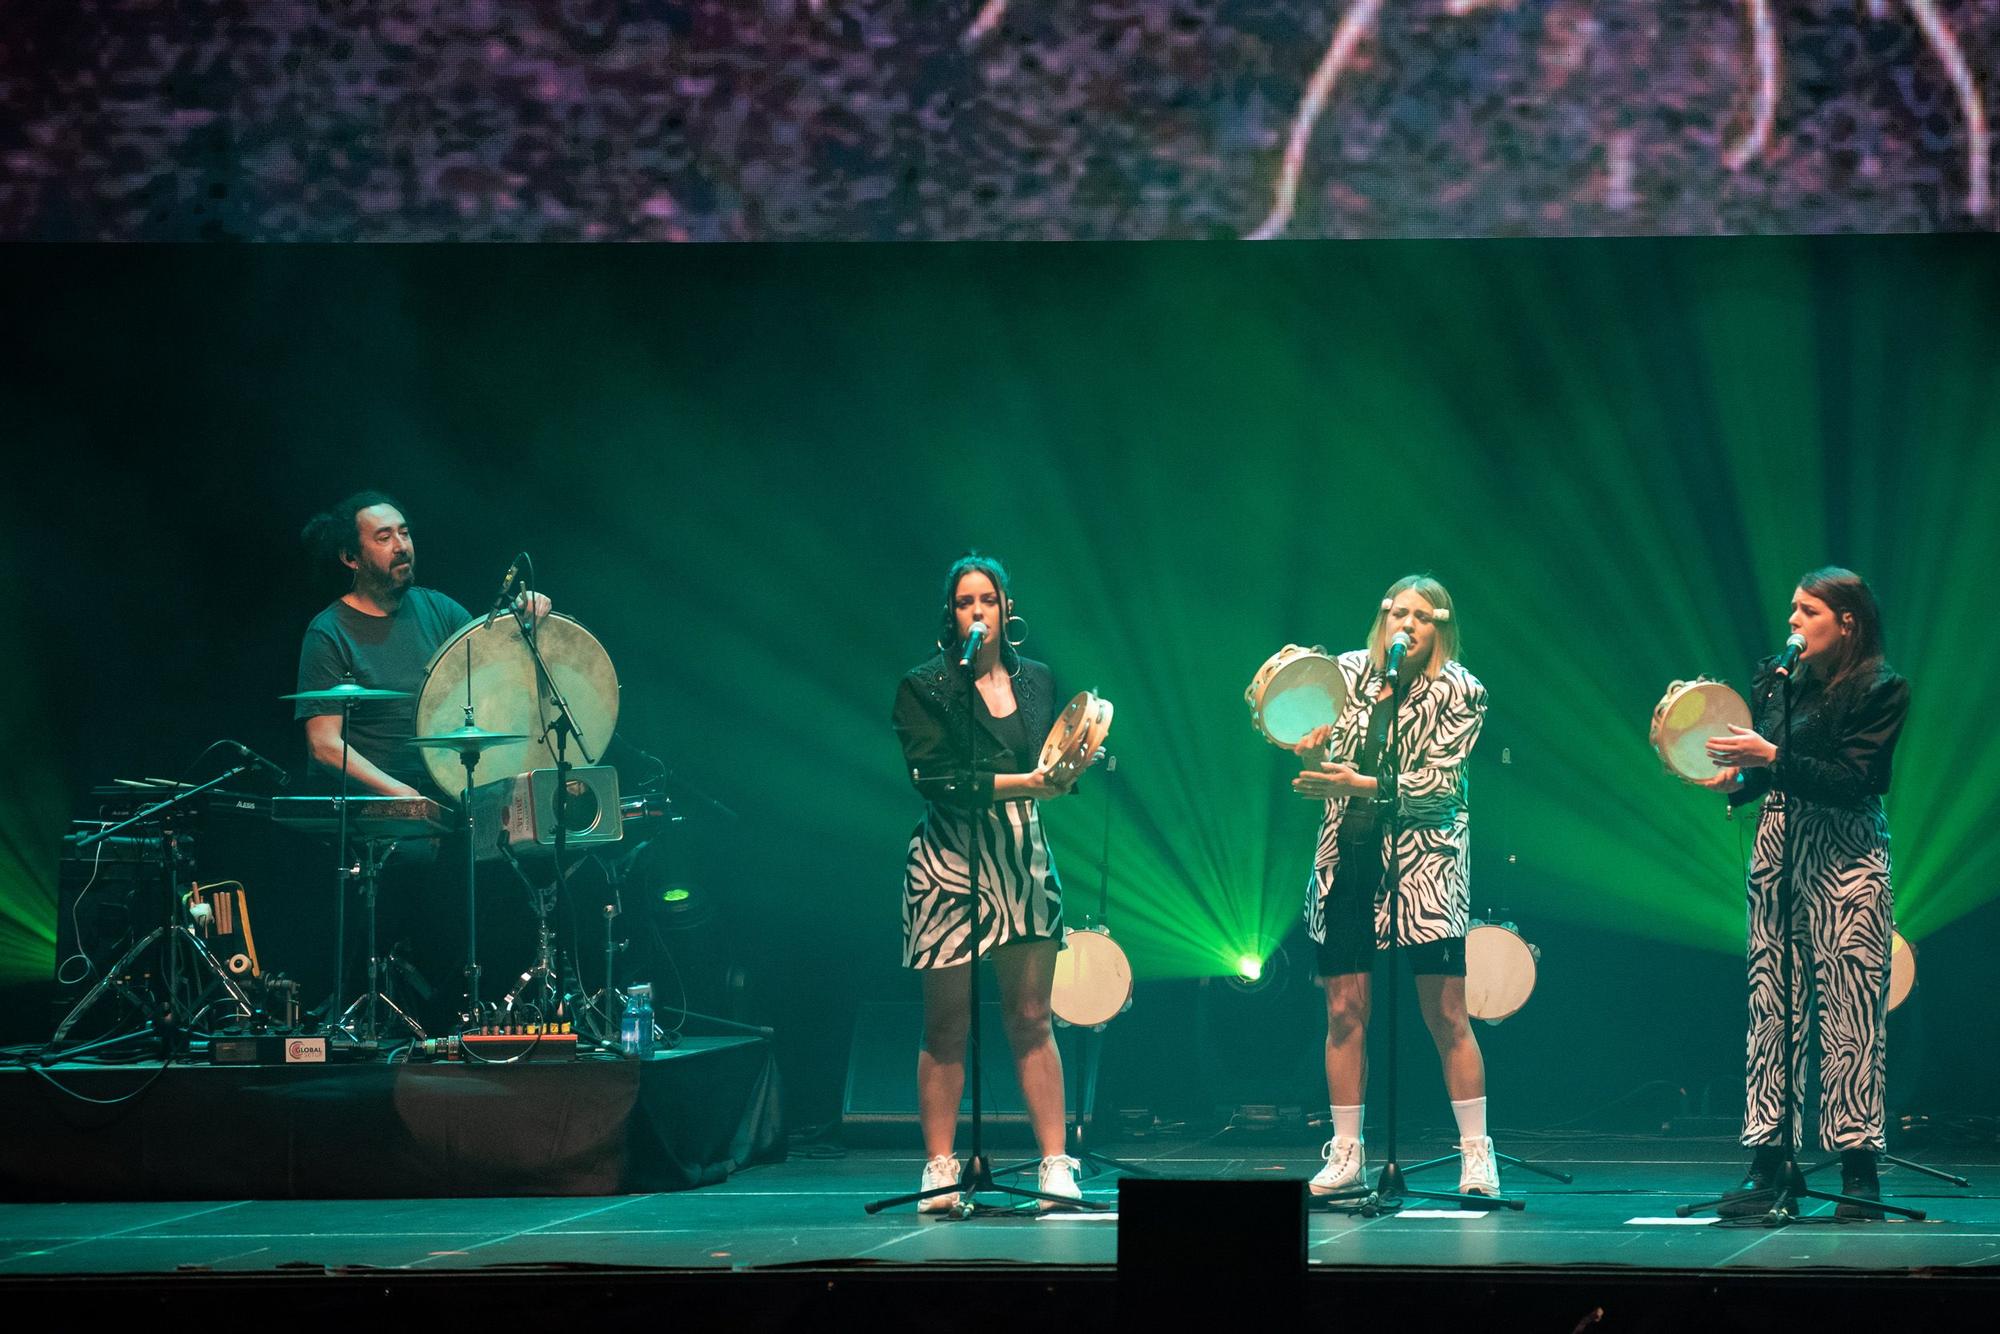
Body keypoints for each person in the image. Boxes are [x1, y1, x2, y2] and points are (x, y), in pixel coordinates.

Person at [292, 490, 549, 1028]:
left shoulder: (438, 609)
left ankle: (487, 1009)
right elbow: (323, 743)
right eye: (383, 538)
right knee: (440, 874)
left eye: (404, 532)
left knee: (528, 851)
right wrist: (401, 794)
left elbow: (496, 663)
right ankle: (424, 1008)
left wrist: (525, 617)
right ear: (351, 558)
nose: (400, 545)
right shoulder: (329, 632)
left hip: (448, 793)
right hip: (379, 805)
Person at [1700, 567, 1908, 1218]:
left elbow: (1859, 779)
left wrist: (1770, 759)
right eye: (1792, 608)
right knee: (1771, 1008)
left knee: (1850, 1015)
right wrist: (1736, 780)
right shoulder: (1779, 680)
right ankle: (1768, 1162)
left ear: (1847, 621)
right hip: (1780, 851)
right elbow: (1766, 770)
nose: (1792, 620)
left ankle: (1857, 1173)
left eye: (1808, 610)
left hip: (1847, 854)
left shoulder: (1881, 688)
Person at [891, 553, 1094, 1212]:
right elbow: (936, 778)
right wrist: (1030, 784)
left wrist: (1061, 776)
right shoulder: (927, 687)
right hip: (949, 865)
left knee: (1032, 1018)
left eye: (986, 600)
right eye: (963, 602)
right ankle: (939, 1169)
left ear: (1007, 607)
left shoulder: (1035, 679)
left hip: (1021, 859)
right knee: (946, 1025)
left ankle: (1056, 1165)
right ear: (950, 616)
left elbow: (1048, 763)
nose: (976, 611)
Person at [1290, 575, 1497, 1199]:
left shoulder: (1462, 692)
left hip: (1425, 867)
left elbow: (1438, 788)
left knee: (1445, 1014)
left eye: (1420, 617)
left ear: (1441, 626)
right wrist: (1308, 752)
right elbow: (1319, 759)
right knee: (1343, 1011)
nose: (1405, 626)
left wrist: (1359, 786)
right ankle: (1347, 1154)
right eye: (1396, 614)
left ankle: (1476, 1154)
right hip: (1347, 858)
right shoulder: (1348, 675)